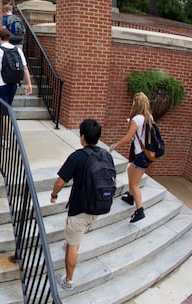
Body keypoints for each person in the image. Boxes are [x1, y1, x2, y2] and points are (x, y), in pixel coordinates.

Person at [49, 119, 115, 291]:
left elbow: (60, 181)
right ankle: (70, 242)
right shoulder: (106, 155)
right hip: (99, 205)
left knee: (73, 245)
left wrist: (54, 195)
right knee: (76, 232)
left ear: (82, 137)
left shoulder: (77, 157)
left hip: (80, 209)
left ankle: (68, 280)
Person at [109, 92, 154, 223]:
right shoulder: (149, 117)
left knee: (134, 184)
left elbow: (128, 137)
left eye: (134, 103)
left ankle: (139, 210)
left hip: (141, 156)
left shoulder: (137, 119)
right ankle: (130, 196)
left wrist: (114, 145)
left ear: (137, 104)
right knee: (130, 170)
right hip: (147, 155)